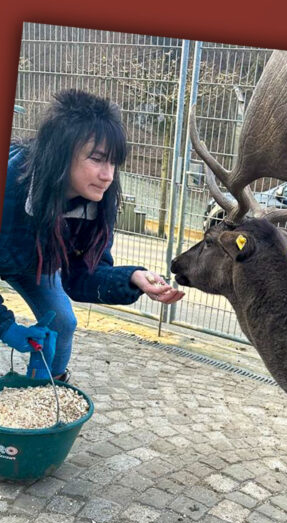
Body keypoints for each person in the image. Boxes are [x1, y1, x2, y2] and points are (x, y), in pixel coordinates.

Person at [1, 89, 184, 380]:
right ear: (61, 153)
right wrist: (6, 327)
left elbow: (82, 276)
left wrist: (132, 277)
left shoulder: (100, 200)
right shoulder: (12, 182)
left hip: (34, 261)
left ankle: (42, 398)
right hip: (9, 247)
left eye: (113, 162)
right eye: (97, 159)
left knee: (62, 322)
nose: (108, 175)